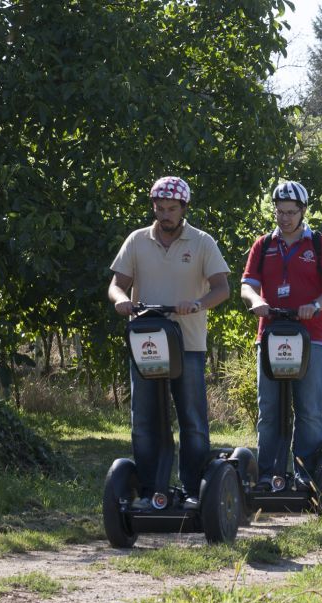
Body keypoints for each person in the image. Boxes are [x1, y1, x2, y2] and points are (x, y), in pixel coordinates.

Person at [108, 176, 231, 509]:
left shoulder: (202, 242)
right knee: (145, 420)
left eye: (171, 209)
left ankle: (193, 491)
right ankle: (151, 491)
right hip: (146, 343)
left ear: (183, 208)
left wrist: (198, 303)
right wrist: (120, 300)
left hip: (187, 344)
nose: (165, 215)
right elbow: (117, 285)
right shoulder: (137, 240)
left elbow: (222, 288)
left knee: (192, 419)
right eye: (160, 208)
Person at [240, 180, 322, 490]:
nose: (284, 218)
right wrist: (256, 301)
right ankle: (268, 473)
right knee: (269, 409)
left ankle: (305, 474)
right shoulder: (263, 245)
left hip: (310, 337)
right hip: (271, 335)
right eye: (280, 212)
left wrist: (314, 305)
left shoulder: (319, 245)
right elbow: (248, 284)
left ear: (302, 212)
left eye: (291, 212)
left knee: (309, 409)